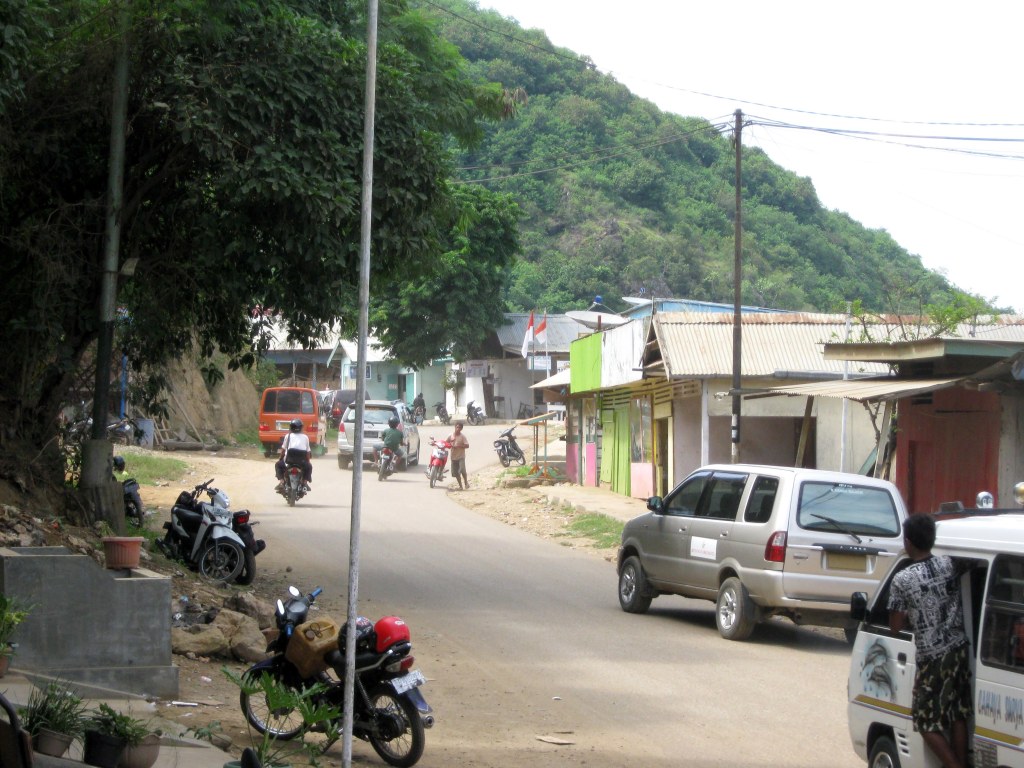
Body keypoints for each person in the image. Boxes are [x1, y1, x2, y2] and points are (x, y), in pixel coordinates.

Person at [888, 514, 972, 768]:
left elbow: (895, 627)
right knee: (956, 714)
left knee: (925, 721)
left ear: (908, 542)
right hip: (959, 650)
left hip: (933, 657)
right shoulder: (950, 564)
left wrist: (912, 614)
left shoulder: (902, 579)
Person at [276, 418, 312, 490]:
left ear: (291, 427)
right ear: (301, 427)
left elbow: (283, 450)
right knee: (309, 467)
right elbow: (308, 453)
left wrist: (280, 458)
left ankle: (282, 482)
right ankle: (305, 483)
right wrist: (308, 462)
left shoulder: (288, 436)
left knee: (278, 465)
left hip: (289, 461)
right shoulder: (305, 437)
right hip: (302, 462)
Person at [447, 421, 469, 490]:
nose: (458, 429)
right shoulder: (450, 436)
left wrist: (460, 446)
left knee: (462, 470)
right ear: (455, 427)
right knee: (456, 473)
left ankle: (466, 483)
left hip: (461, 456)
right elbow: (446, 443)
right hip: (453, 457)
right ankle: (460, 486)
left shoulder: (462, 436)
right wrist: (449, 445)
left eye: (459, 428)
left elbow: (467, 445)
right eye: (457, 427)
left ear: (461, 429)